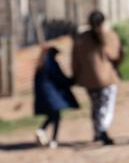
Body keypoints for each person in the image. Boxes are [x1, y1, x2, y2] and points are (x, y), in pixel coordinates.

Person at [71, 11, 122, 145]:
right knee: (106, 106)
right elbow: (116, 56)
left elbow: (75, 60)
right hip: (107, 79)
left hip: (88, 79)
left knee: (96, 106)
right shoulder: (109, 36)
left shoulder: (81, 39)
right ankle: (102, 130)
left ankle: (97, 132)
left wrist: (76, 75)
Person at [33, 46, 78, 148]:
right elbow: (58, 77)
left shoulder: (41, 64)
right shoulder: (50, 63)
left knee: (53, 115)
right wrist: (70, 81)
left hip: (44, 94)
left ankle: (42, 130)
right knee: (56, 115)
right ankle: (53, 139)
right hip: (51, 94)